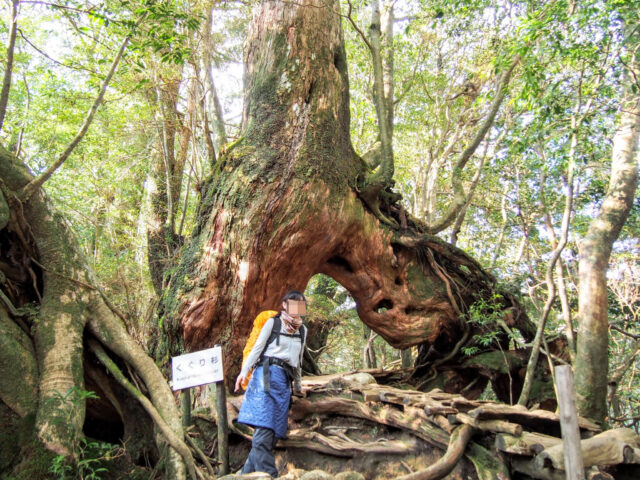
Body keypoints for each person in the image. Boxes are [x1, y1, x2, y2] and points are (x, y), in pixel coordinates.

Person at [234, 290, 308, 478]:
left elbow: (298, 361)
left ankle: (245, 475)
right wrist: (244, 372)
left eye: (300, 304)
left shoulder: (302, 330)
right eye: (293, 303)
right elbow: (257, 349)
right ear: (284, 305)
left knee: (273, 430)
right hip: (265, 377)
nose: (296, 308)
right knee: (265, 427)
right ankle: (270, 474)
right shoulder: (273, 323)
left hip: (284, 381)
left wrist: (298, 387)